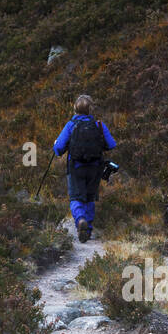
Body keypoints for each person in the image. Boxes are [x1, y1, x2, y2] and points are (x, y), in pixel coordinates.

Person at [52, 94, 116, 242]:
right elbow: (111, 144)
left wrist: (56, 143)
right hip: (95, 167)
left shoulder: (71, 125)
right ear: (90, 109)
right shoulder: (99, 125)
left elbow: (58, 149)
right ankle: (88, 229)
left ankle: (80, 220)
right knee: (89, 198)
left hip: (76, 167)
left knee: (76, 197)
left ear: (75, 109)